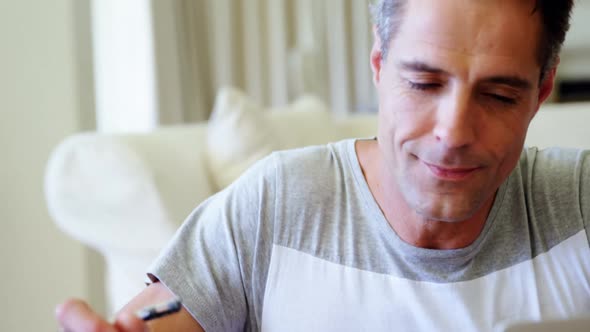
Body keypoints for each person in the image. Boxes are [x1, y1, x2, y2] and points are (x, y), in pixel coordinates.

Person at [57, 0, 587, 331]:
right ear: (378, 64)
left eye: (498, 95)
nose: (453, 133)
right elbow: (157, 322)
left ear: (541, 90)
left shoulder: (579, 206)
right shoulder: (276, 205)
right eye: (424, 84)